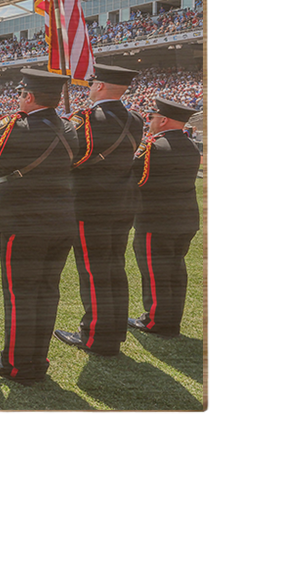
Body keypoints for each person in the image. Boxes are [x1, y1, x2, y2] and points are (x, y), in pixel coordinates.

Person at [0, 69, 79, 385]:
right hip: (62, 221)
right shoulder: (71, 129)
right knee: (47, 293)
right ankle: (37, 360)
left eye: (21, 94)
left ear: (29, 96)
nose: (19, 99)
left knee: (21, 295)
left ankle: (16, 364)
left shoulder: (14, 128)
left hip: (23, 222)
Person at [55, 64, 144, 358]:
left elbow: (72, 157)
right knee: (114, 268)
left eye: (93, 83)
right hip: (122, 203)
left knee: (93, 272)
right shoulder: (135, 119)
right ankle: (114, 331)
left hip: (90, 204)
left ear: (101, 86)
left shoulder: (88, 118)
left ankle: (96, 336)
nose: (90, 86)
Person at [128, 98, 202, 339]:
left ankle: (156, 321)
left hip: (156, 219)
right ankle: (171, 320)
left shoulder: (154, 147)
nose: (149, 122)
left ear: (163, 120)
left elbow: (136, 179)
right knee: (175, 270)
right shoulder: (190, 146)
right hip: (185, 219)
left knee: (155, 271)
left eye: (151, 117)